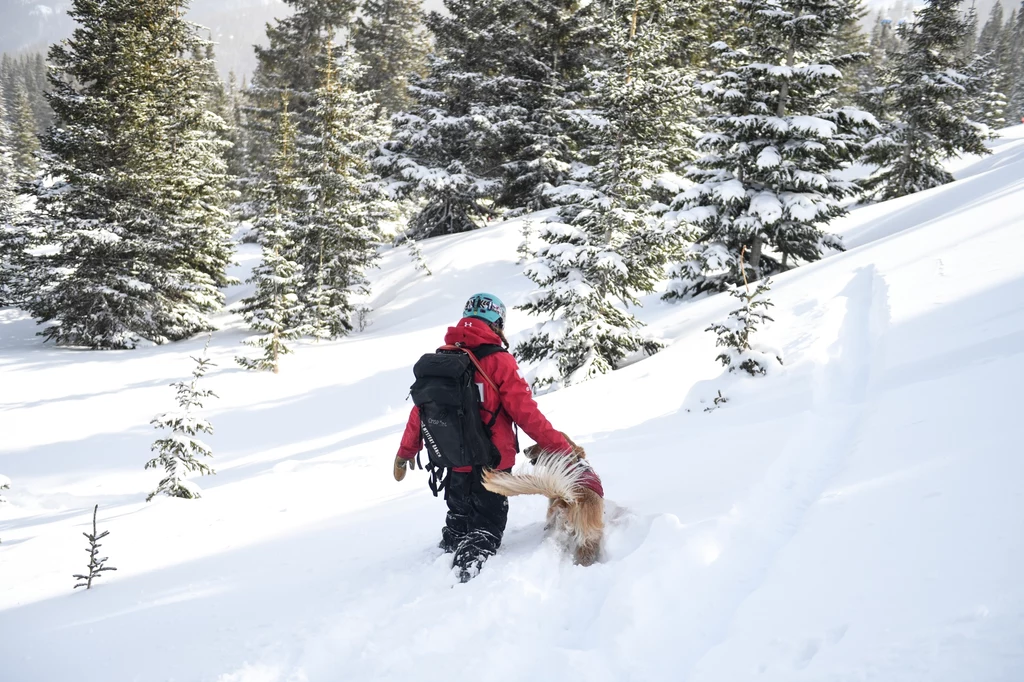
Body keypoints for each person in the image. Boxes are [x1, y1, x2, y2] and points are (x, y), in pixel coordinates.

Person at [392, 292, 602, 581]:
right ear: (497, 323)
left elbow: (420, 412)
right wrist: (561, 448)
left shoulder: (443, 359)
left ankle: (447, 551)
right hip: (492, 461)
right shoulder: (498, 361)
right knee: (485, 527)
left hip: (453, 460)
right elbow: (525, 413)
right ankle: (467, 576)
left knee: (457, 520)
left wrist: (405, 452)